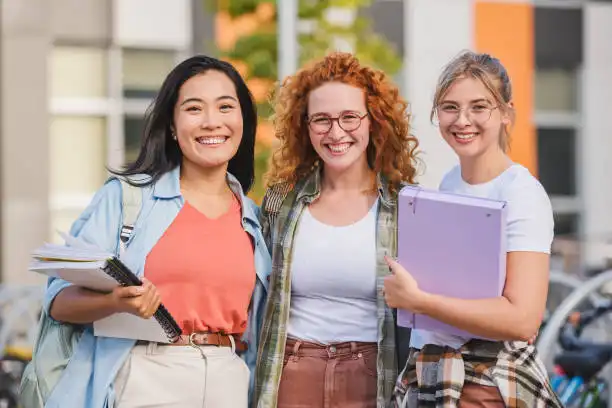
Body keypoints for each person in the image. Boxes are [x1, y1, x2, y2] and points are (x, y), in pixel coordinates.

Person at [40, 55, 270, 408]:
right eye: (194, 109)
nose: (212, 122)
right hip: (144, 375)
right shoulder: (126, 199)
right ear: (174, 126)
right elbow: (58, 302)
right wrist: (113, 302)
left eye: (226, 107)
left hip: (229, 380)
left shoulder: (254, 219)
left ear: (243, 120)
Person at [384, 51, 563, 407]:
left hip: (483, 383)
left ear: (506, 114)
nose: (463, 120)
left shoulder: (521, 194)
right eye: (450, 108)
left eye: (479, 107)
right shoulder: (449, 183)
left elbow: (523, 319)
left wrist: (419, 301)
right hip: (434, 374)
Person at [254, 52, 420, 408]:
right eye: (321, 120)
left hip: (371, 377)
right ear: (304, 125)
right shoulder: (281, 202)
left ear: (373, 120)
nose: (336, 132)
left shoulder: (405, 206)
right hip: (292, 373)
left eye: (349, 117)